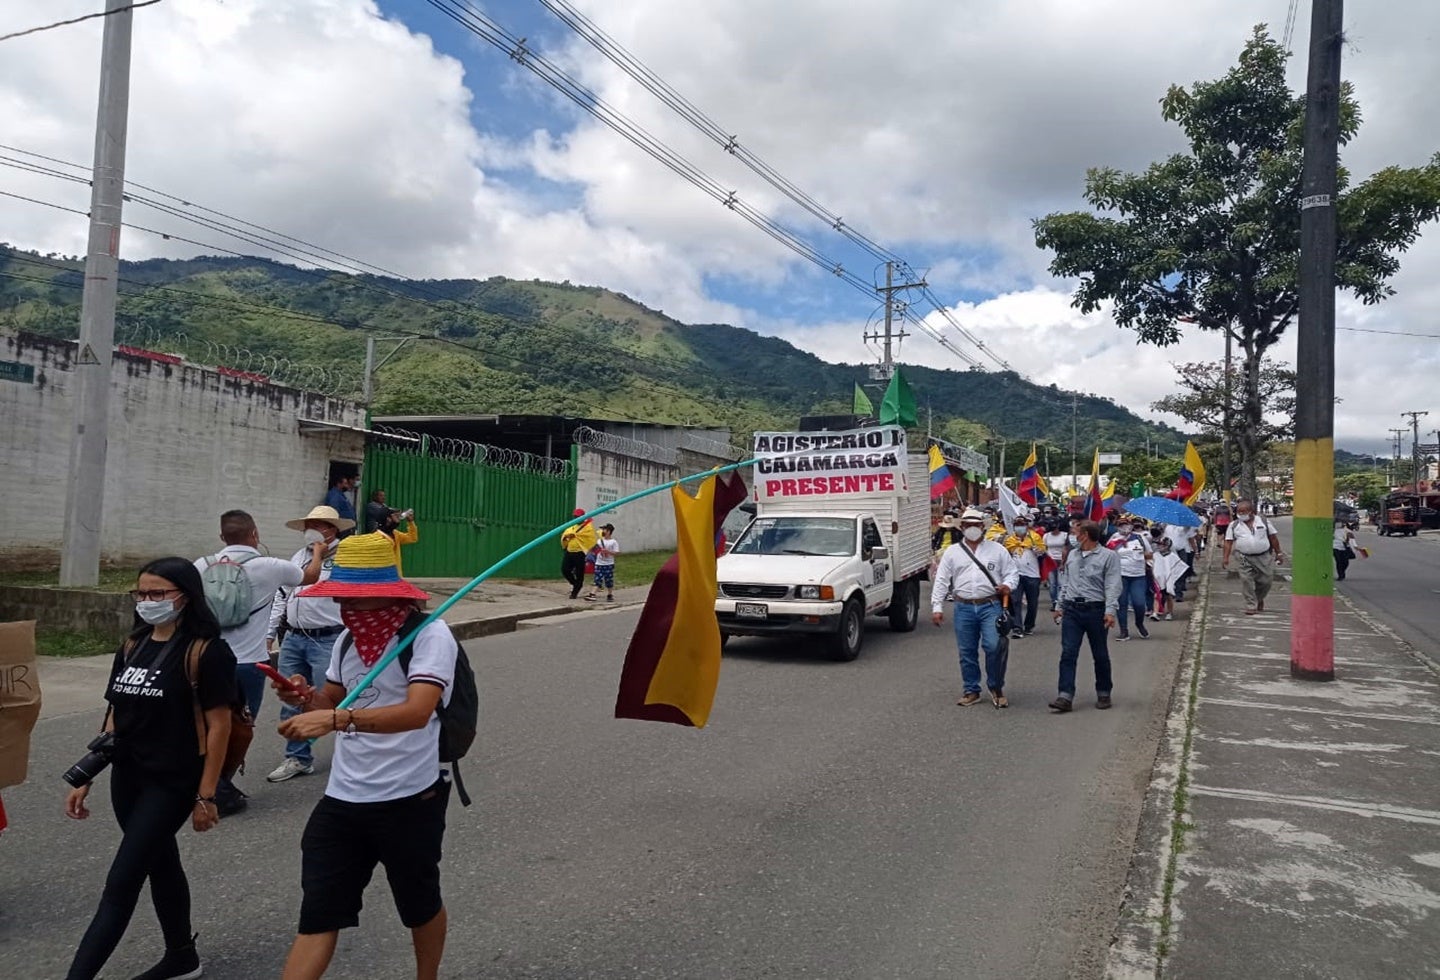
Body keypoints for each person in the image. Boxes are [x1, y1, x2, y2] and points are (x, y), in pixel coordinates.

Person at [272, 533, 459, 980]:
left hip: (409, 798)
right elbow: (329, 703)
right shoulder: (347, 642)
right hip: (343, 800)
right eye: (341, 599)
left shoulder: (428, 635)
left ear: (388, 593)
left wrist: (337, 721)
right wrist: (302, 699)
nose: (348, 609)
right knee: (319, 912)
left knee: (419, 904)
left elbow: (417, 712)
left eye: (358, 599)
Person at [63, 557, 237, 980]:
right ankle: (182, 956)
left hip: (172, 781)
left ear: (185, 596)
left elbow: (219, 727)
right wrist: (87, 773)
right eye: (141, 593)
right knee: (160, 862)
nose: (147, 601)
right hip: (128, 776)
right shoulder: (133, 644)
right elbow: (116, 713)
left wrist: (206, 794)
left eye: (157, 593)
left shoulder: (207, 651)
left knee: (121, 883)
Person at [196, 510, 325, 812]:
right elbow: (310, 577)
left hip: (208, 661)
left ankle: (206, 784)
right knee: (241, 727)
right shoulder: (270, 566)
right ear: (255, 535)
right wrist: (318, 553)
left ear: (221, 537)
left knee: (206, 724)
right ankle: (220, 786)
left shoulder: (200, 565)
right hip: (250, 663)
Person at [265, 506, 355, 784]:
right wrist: (270, 634)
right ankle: (298, 757)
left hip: (328, 638)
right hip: (294, 637)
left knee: (336, 700)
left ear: (332, 529)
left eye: (317, 525)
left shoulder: (346, 556)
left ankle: (352, 755)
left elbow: (352, 597)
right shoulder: (298, 556)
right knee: (294, 698)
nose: (310, 531)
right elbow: (283, 595)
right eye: (308, 525)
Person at [930, 508, 1018, 708]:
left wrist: (1008, 586)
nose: (972, 529)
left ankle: (996, 686)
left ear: (983, 527)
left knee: (994, 646)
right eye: (968, 525)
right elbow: (942, 580)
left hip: (990, 605)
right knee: (967, 650)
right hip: (963, 607)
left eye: (976, 525)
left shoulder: (997, 550)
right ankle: (971, 689)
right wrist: (937, 606)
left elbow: (1012, 573)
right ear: (961, 528)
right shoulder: (952, 552)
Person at [1049, 520, 1122, 713]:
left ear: (1085, 535)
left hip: (1096, 611)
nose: (1072, 536)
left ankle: (1104, 691)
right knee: (1068, 653)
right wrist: (1059, 605)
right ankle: (1065, 695)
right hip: (1072, 610)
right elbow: (1066, 582)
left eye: (1075, 532)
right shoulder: (1073, 554)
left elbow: (1113, 585)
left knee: (1100, 654)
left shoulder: (1109, 556)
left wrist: (1110, 611)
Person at [1222, 499, 1285, 614]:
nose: (1241, 515)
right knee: (1246, 579)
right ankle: (1251, 604)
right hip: (1243, 557)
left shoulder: (1263, 521)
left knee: (1266, 580)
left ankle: (1258, 598)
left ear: (1251, 512)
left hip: (1263, 556)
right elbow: (1228, 542)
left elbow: (1273, 538)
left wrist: (1278, 553)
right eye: (1239, 512)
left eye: (1243, 512)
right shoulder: (1234, 525)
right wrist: (1225, 558)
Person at [1106, 518, 1151, 641]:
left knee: (1139, 603)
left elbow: (1150, 554)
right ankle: (1124, 630)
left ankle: (1139, 623)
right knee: (1122, 604)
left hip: (1138, 575)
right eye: (1121, 525)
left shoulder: (1139, 538)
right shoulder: (1114, 539)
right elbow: (1107, 556)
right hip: (1120, 576)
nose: (1124, 527)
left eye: (1126, 524)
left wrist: (1138, 555)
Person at [1001, 515, 1046, 638]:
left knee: (1032, 603)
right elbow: (1005, 555)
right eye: (1017, 525)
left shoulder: (1035, 537)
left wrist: (1037, 549)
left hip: (1032, 575)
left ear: (1026, 526)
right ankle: (1017, 627)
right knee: (1015, 601)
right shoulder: (1009, 540)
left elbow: (1043, 551)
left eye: (1022, 524)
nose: (1020, 527)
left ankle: (1029, 625)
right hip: (1016, 575)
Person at [560, 508, 598, 600]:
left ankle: (575, 592)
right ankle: (575, 584)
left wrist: (575, 535)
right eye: (575, 516)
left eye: (578, 517)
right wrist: (566, 537)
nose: (576, 518)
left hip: (580, 553)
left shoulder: (587, 527)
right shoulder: (571, 527)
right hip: (569, 551)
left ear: (582, 517)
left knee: (579, 573)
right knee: (565, 569)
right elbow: (564, 536)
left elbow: (591, 538)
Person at [1151, 538, 1186, 621]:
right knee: (1156, 596)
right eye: (1158, 544)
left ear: (1167, 546)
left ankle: (1169, 612)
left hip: (1168, 579)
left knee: (1168, 596)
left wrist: (1172, 577)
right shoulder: (1155, 555)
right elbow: (1152, 565)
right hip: (1158, 579)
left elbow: (1178, 566)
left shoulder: (1172, 556)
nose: (1159, 546)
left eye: (1161, 545)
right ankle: (1155, 612)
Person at [584, 523, 620, 601]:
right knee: (597, 579)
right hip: (599, 563)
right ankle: (592, 594)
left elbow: (616, 553)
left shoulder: (613, 542)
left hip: (609, 564)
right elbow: (594, 549)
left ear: (609, 531)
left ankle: (610, 595)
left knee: (609, 580)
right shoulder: (599, 541)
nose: (603, 531)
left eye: (604, 529)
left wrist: (608, 552)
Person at [1042, 517, 1070, 612]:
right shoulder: (1046, 536)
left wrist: (1063, 562)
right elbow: (1044, 548)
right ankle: (1054, 601)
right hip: (1050, 561)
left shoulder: (1065, 535)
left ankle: (1060, 603)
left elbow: (1066, 548)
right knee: (1053, 584)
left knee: (1061, 584)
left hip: (1062, 561)